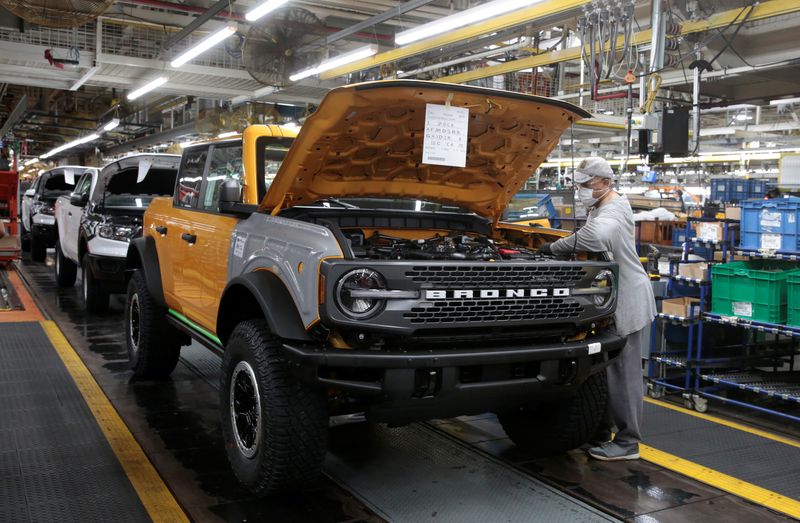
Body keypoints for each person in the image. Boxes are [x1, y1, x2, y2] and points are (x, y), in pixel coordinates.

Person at [540, 157, 657, 461]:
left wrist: (554, 247)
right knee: (605, 370)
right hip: (613, 297)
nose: (580, 190)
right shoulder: (601, 206)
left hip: (627, 298)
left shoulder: (613, 208)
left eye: (586, 184)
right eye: (577, 184)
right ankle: (602, 431)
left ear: (605, 182)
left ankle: (628, 442)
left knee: (623, 373)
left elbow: (596, 236)